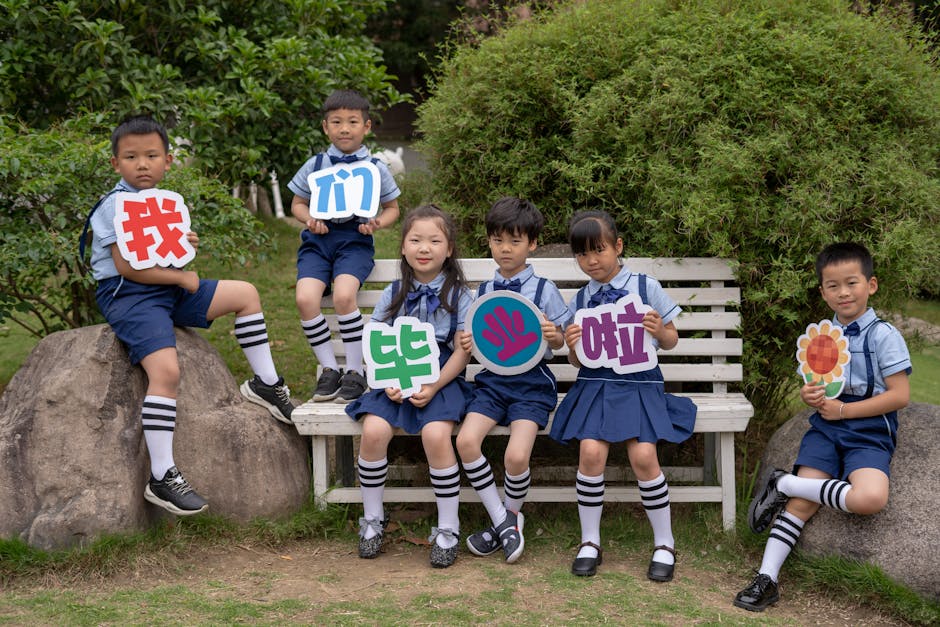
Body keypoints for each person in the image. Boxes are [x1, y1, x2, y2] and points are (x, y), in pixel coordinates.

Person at [84, 115, 294, 516]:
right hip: (130, 295)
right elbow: (127, 267)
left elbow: (161, 249)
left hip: (169, 288)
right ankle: (162, 475)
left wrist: (183, 242)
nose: (142, 164)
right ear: (115, 164)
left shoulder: (163, 201)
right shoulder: (115, 205)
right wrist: (183, 277)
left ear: (168, 161)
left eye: (151, 155)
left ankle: (267, 384)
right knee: (166, 372)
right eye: (130, 157)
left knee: (246, 294)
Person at [734, 242, 911, 612]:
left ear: (871, 285)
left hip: (868, 433)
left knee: (870, 498)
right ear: (822, 291)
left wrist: (844, 411)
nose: (843, 293)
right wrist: (810, 394)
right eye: (833, 286)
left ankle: (781, 482)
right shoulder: (823, 336)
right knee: (801, 502)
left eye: (852, 283)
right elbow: (818, 387)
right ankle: (766, 578)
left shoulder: (884, 335)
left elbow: (900, 396)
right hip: (825, 429)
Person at [549, 210, 697, 581]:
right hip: (596, 385)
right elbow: (576, 357)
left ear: (618, 246)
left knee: (644, 455)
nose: (592, 260)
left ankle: (664, 542)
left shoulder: (646, 287)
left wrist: (661, 330)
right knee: (590, 451)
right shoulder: (581, 298)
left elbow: (673, 339)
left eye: (599, 250)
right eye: (582, 254)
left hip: (640, 384)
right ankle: (590, 541)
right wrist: (571, 346)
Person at [345, 205, 473, 568]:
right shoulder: (394, 291)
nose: (424, 247)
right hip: (395, 381)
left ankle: (448, 528)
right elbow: (377, 341)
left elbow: (462, 354)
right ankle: (372, 520)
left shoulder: (460, 294)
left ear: (449, 249)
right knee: (372, 431)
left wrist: (433, 386)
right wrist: (386, 382)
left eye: (435, 240)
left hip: (441, 380)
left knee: (436, 435)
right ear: (403, 247)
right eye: (415, 239)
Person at [455, 197, 570, 563]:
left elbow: (563, 338)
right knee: (467, 441)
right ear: (489, 241)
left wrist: (554, 336)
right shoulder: (483, 292)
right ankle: (503, 521)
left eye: (515, 241)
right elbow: (476, 339)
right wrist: (466, 341)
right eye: (497, 240)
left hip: (532, 385)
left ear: (532, 244)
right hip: (491, 384)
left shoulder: (544, 289)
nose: (505, 249)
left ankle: (507, 519)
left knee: (516, 455)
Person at [288, 89, 401, 404]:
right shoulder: (317, 164)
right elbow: (297, 203)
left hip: (354, 242)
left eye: (353, 121)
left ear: (367, 127)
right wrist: (309, 219)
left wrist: (378, 222)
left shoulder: (375, 167)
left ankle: (355, 370)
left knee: (344, 296)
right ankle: (329, 368)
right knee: (305, 299)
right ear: (325, 127)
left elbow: (393, 208)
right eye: (336, 122)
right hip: (318, 242)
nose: (344, 128)